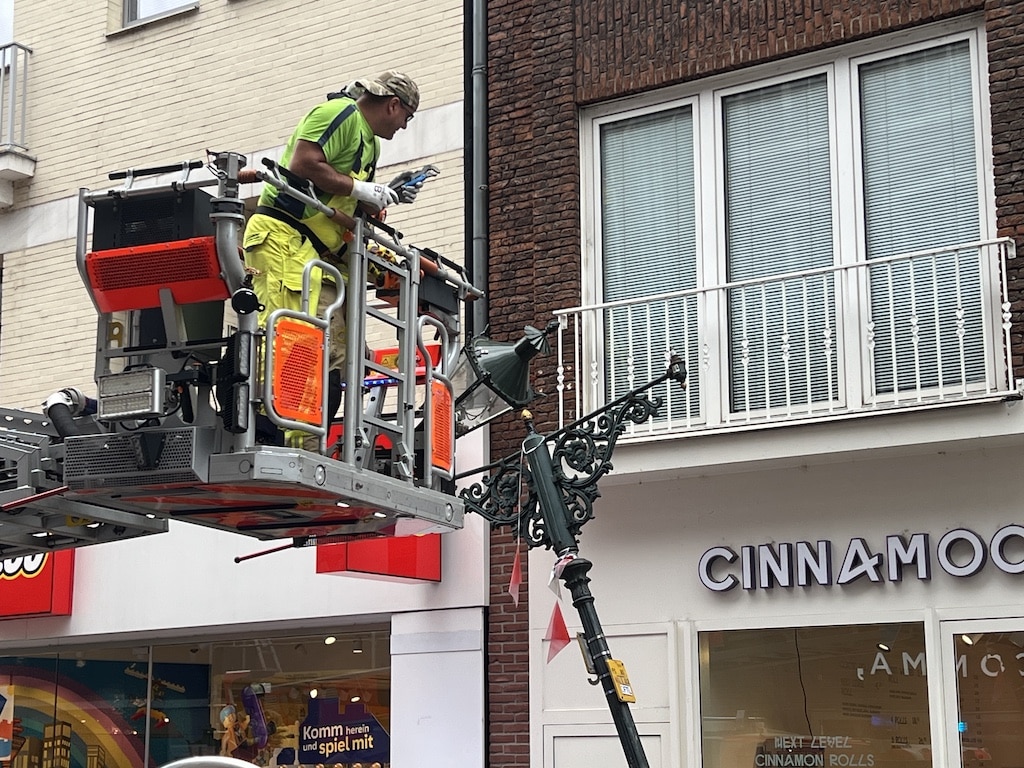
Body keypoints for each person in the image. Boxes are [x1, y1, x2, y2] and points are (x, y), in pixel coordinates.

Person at [243, 71, 422, 450]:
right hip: (284, 238)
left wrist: (382, 197)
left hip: (316, 251)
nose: (405, 126)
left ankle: (309, 444)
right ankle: (279, 440)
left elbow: (346, 203)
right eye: (406, 116)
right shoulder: (340, 114)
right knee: (294, 339)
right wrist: (361, 189)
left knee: (332, 355)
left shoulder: (368, 144)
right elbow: (304, 164)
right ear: (393, 104)